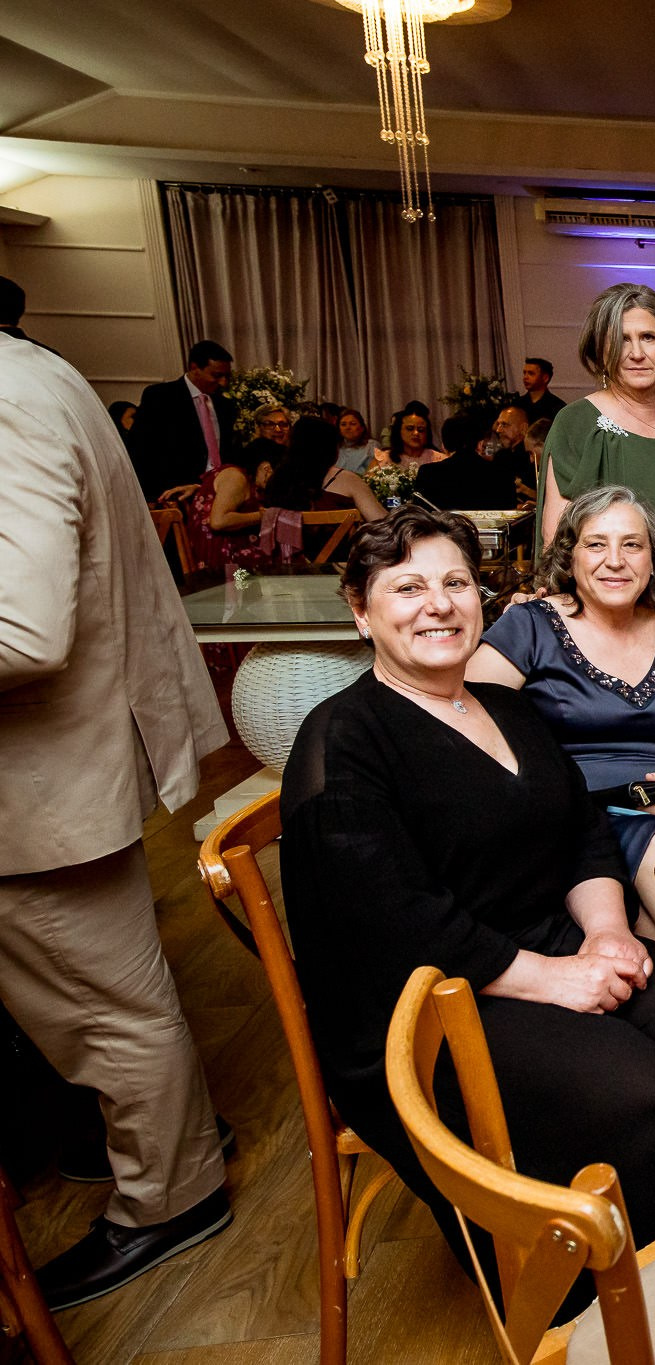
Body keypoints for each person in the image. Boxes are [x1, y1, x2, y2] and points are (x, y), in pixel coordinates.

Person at [281, 508, 655, 1305]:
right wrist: (548, 979)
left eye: (454, 582)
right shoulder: (343, 739)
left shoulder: (503, 706)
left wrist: (608, 932)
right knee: (639, 1089)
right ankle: (646, 1314)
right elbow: (387, 917)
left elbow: (581, 829)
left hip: (552, 943)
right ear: (359, 609)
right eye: (407, 587)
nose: (438, 604)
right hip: (428, 1003)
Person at [1, 334, 232, 1309]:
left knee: (108, 1007)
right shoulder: (38, 369)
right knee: (104, 999)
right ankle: (145, 1139)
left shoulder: (8, 395)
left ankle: (170, 1194)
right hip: (72, 756)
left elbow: (21, 627)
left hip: (46, 774)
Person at [471, 487, 655, 920]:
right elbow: (458, 719)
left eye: (632, 545)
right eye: (595, 544)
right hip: (572, 819)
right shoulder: (530, 625)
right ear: (570, 557)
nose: (615, 560)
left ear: (652, 558)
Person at [539, 283, 655, 590]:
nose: (636, 353)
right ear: (601, 350)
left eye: (648, 337)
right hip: (618, 613)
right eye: (621, 340)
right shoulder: (576, 423)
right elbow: (556, 543)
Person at [132, 339, 235, 501]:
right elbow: (142, 450)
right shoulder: (160, 397)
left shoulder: (225, 405)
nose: (223, 382)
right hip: (175, 495)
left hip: (219, 494)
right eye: (217, 375)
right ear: (194, 368)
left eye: (226, 376)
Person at [261, 416, 387, 522]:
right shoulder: (345, 479)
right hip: (336, 551)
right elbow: (381, 522)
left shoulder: (275, 481)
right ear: (330, 449)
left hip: (282, 551)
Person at [184, 437, 273, 573]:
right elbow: (219, 522)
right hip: (220, 552)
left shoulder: (245, 479)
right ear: (267, 468)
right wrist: (262, 516)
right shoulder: (235, 477)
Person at [369, 406, 443, 472]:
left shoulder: (439, 460)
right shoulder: (383, 459)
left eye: (421, 430)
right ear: (398, 431)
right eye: (410, 428)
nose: (416, 433)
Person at [490, 401, 537, 499]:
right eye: (498, 424)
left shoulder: (533, 457)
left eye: (504, 424)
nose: (498, 430)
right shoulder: (500, 457)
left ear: (523, 428)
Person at [521, 356, 566, 422]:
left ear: (545, 378)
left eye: (531, 374)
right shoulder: (518, 404)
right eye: (524, 373)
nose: (525, 377)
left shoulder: (557, 407)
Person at [334, 407, 377, 474]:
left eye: (352, 424)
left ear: (362, 428)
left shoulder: (371, 446)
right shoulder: (334, 447)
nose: (347, 427)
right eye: (343, 424)